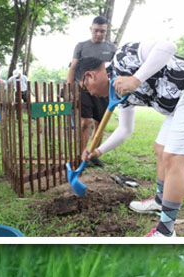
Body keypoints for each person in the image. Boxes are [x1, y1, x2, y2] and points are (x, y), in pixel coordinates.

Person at [74, 41, 184, 239]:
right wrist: (98, 151)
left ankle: (166, 232)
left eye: (86, 87)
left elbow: (168, 46)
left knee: (174, 157)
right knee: (160, 148)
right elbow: (125, 130)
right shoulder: (119, 93)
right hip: (179, 104)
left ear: (90, 75)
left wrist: (135, 79)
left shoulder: (123, 57)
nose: (90, 93)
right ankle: (160, 201)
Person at [67, 16, 116, 167]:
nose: (99, 34)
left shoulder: (112, 48)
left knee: (99, 123)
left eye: (102, 31)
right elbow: (73, 67)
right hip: (83, 88)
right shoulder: (81, 46)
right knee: (85, 122)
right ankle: (82, 154)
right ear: (91, 29)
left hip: (103, 90)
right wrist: (70, 89)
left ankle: (92, 154)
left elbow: (115, 70)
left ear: (106, 31)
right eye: (96, 30)